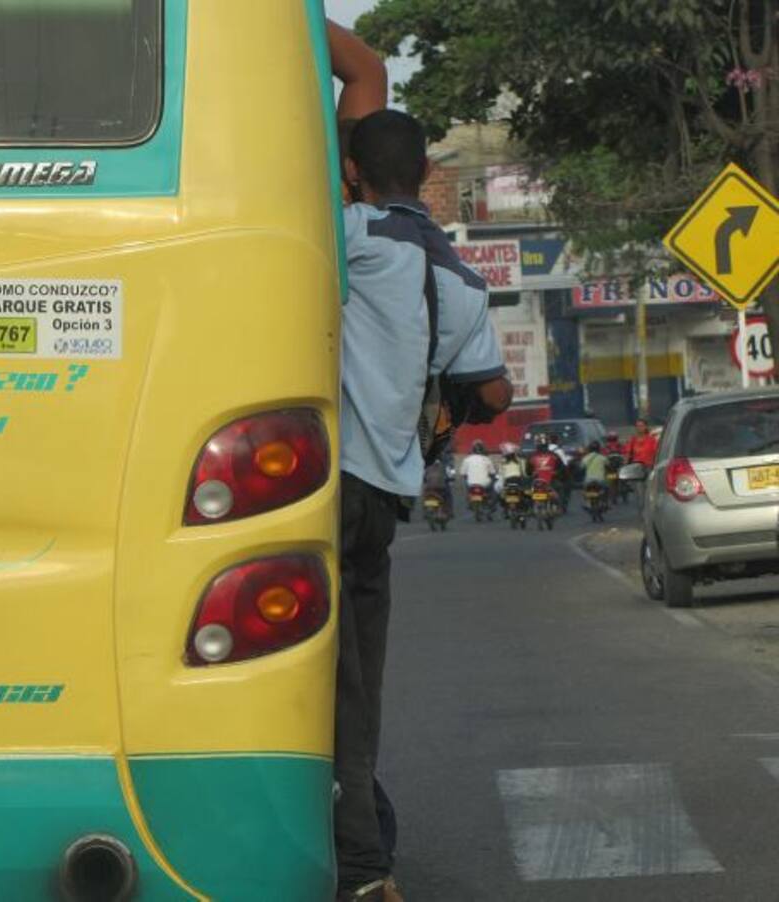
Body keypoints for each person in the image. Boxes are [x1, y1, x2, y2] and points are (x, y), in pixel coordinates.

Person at [329, 24, 512, 897]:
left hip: (324, 487)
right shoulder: (463, 279)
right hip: (385, 497)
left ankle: (360, 858)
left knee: (324, 683)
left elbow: (359, 70)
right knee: (358, 685)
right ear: (427, 173)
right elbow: (495, 393)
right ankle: (366, 854)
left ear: (352, 173)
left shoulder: (348, 237)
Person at [579, 440, 610, 506]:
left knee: (584, 490)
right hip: (600, 480)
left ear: (589, 449)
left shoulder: (585, 458)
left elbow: (581, 468)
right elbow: (608, 466)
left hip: (588, 480)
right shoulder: (603, 458)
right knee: (607, 488)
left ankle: (587, 502)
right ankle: (605, 503)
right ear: (599, 449)